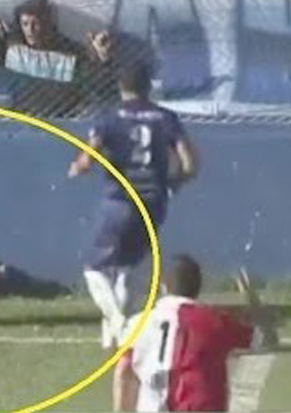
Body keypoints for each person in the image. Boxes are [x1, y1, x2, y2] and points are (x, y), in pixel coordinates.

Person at [67, 63, 199, 348]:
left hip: (120, 199)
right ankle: (115, 335)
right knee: (128, 266)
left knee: (95, 268)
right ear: (148, 87)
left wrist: (78, 166)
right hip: (153, 200)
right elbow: (190, 164)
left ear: (120, 86)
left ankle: (117, 321)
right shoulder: (166, 118)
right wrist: (174, 182)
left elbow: (89, 156)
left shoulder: (111, 117)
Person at [112, 255, 278, 412]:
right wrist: (253, 300)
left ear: (164, 286)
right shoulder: (214, 322)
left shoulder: (137, 323)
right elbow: (267, 339)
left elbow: (123, 372)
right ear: (198, 288)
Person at [0, 0, 119, 117]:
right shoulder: (11, 48)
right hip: (18, 119)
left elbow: (101, 89)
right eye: (25, 24)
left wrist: (102, 57)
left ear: (48, 24)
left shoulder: (69, 54)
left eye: (36, 23)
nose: (31, 30)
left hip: (60, 120)